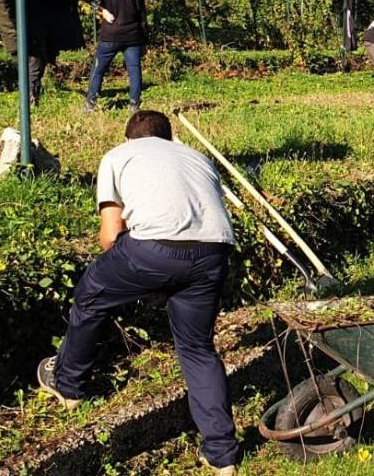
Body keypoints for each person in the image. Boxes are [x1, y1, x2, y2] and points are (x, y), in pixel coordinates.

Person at [36, 111, 239, 476]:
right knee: (197, 348)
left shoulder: (118, 155)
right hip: (214, 252)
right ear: (169, 136)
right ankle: (223, 456)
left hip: (154, 251)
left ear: (130, 136)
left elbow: (111, 235)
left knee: (91, 296)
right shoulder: (196, 157)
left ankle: (68, 384)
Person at [81, 0, 148, 113]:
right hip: (133, 38)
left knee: (98, 70)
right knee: (134, 71)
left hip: (110, 37)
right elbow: (143, 19)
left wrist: (101, 9)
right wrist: (144, 42)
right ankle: (134, 105)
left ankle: (90, 103)